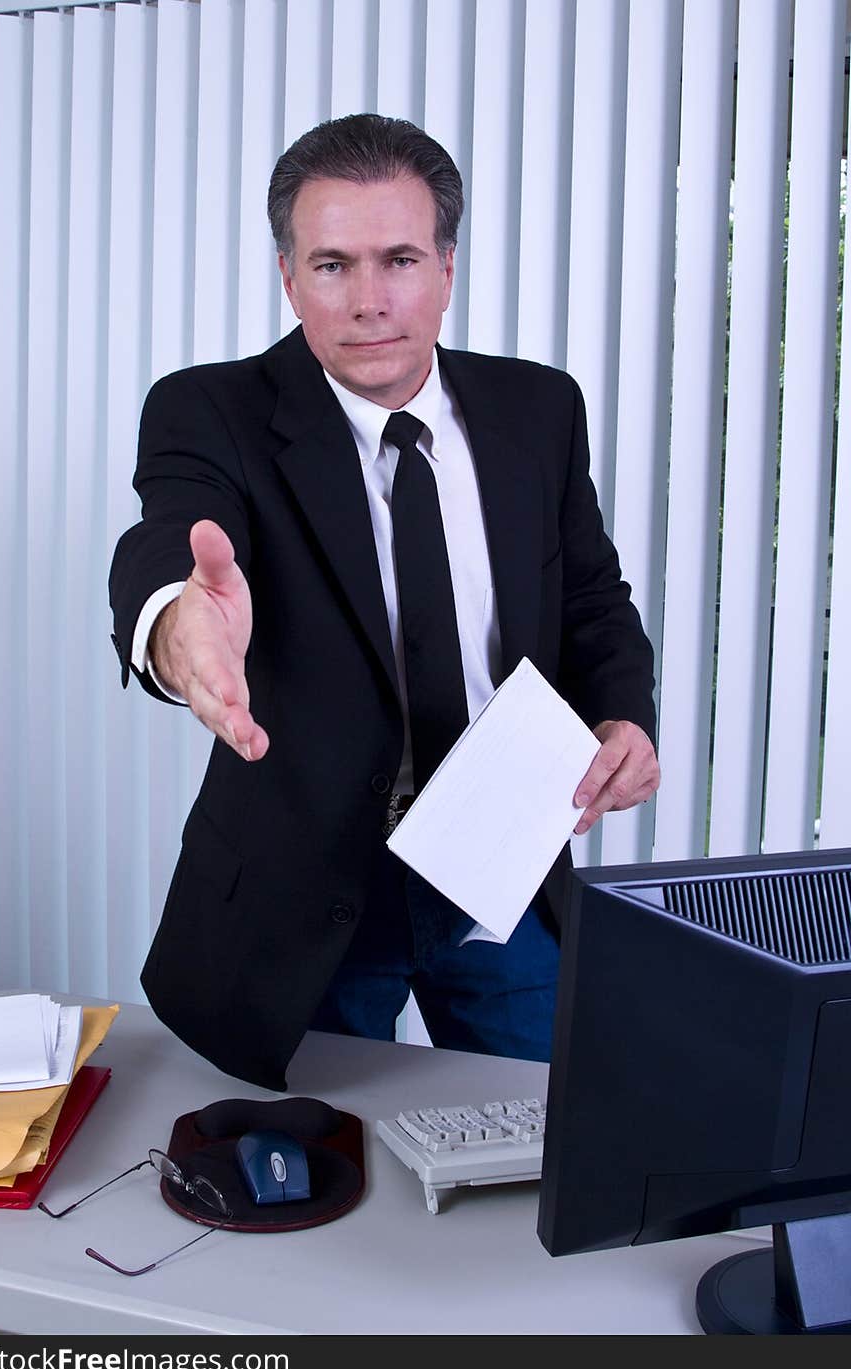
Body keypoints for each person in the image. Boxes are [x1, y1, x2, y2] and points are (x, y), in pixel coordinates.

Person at [109, 113, 660, 1092]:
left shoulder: (540, 409)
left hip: (499, 872)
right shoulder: (210, 410)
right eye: (332, 265)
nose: (368, 301)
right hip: (305, 890)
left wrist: (623, 714)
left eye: (399, 258)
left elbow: (587, 595)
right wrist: (178, 628)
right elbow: (169, 544)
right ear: (288, 276)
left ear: (446, 266)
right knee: (290, 1193)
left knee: (541, 1158)